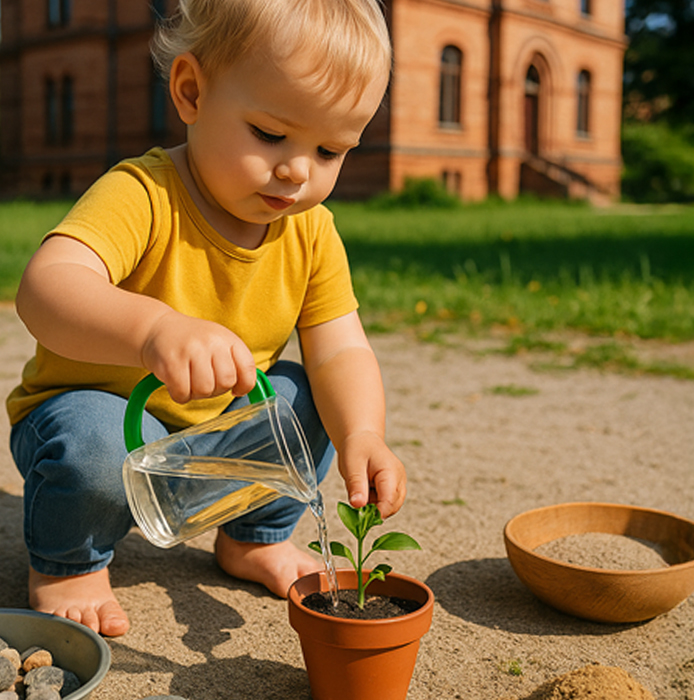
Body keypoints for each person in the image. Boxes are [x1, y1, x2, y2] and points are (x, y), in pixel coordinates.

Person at [6, 0, 405, 638]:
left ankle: (253, 537)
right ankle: (69, 565)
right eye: (271, 134)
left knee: (307, 397)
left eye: (331, 150)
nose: (298, 171)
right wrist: (152, 329)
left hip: (212, 439)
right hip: (93, 416)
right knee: (93, 443)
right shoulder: (143, 193)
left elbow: (341, 351)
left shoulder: (311, 232)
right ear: (192, 92)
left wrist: (362, 432)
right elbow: (45, 289)